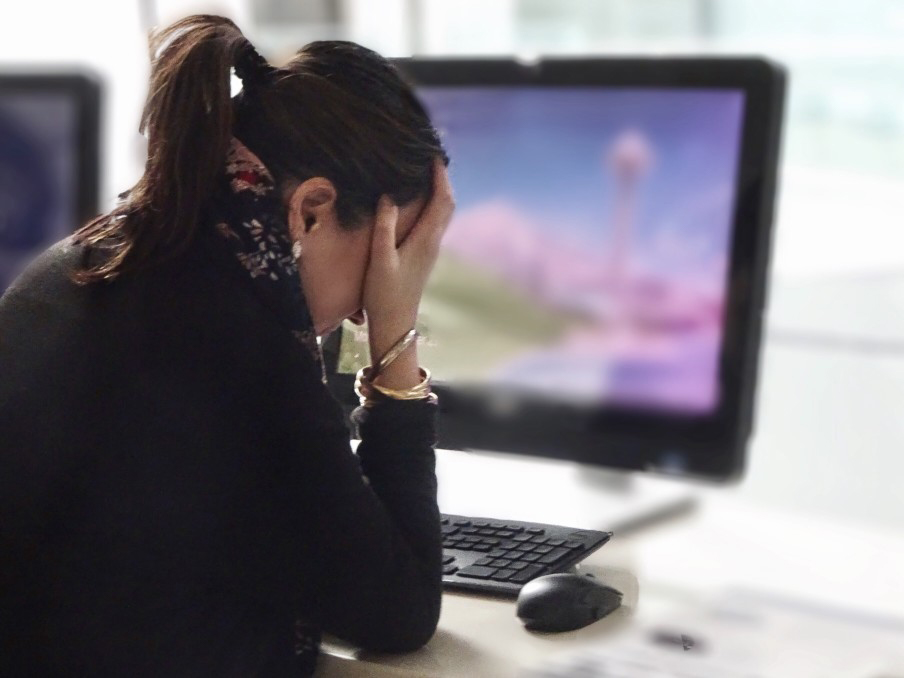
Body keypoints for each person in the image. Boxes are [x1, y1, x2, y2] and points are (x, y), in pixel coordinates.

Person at [0, 14, 454, 677]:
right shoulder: (242, 344)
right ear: (311, 210)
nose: (367, 303)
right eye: (388, 257)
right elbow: (398, 613)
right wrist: (395, 342)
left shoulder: (87, 258)